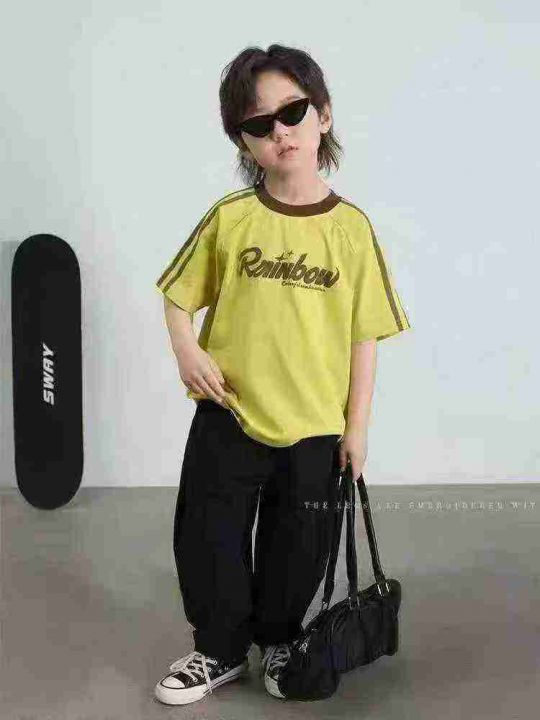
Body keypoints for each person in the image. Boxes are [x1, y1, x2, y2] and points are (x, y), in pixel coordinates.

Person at [153, 44, 411, 706]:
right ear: (243, 140)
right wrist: (186, 349)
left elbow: (364, 336)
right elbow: (178, 296)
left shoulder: (352, 231)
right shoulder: (231, 219)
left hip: (316, 427)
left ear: (323, 115)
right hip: (230, 413)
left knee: (300, 545)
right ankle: (218, 649)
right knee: (208, 534)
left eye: (292, 112)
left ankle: (279, 641)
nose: (280, 132)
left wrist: (356, 428)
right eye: (258, 124)